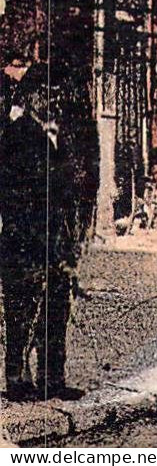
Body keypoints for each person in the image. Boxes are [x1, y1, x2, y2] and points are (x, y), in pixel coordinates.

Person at [0, 50, 83, 401]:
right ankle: (17, 379)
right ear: (31, 97)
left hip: (52, 239)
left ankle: (52, 379)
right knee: (21, 310)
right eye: (48, 94)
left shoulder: (58, 138)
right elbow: (12, 194)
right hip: (24, 239)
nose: (55, 101)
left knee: (55, 307)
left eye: (58, 94)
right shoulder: (16, 137)